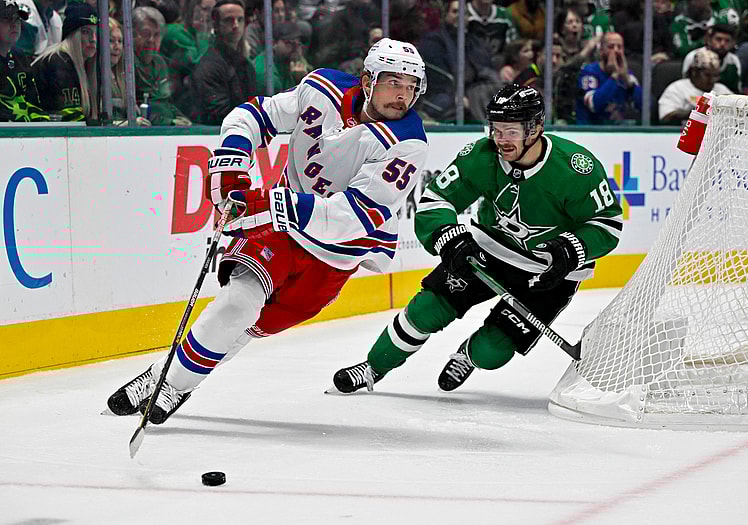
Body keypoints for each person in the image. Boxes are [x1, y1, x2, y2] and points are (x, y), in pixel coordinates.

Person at [106, 38, 429, 424]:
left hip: (337, 255)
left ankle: (165, 375)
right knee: (237, 304)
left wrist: (268, 204)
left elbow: (352, 217)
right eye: (394, 82)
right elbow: (254, 114)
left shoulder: (408, 142)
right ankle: (172, 386)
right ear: (368, 79)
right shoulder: (322, 88)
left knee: (247, 327)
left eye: (411, 86)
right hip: (281, 234)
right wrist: (230, 160)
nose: (403, 95)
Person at [331, 85, 623, 395]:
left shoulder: (575, 168)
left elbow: (607, 225)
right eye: (496, 129)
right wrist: (447, 236)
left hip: (548, 272)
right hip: (490, 251)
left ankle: (468, 355)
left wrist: (570, 249)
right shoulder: (481, 156)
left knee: (492, 351)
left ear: (536, 128)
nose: (500, 139)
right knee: (427, 309)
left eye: (511, 131)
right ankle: (373, 367)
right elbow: (437, 200)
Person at [32, 1, 98, 121]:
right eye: (86, 32)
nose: (93, 39)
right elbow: (71, 120)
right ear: (73, 34)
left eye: (95, 33)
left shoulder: (83, 65)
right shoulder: (58, 63)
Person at [192, 0, 256, 124]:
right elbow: (218, 115)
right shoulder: (209, 66)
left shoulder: (245, 65)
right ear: (215, 25)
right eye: (228, 20)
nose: (236, 25)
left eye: (240, 20)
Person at [132, 6, 191, 126]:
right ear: (131, 35)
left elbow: (166, 102)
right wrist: (171, 122)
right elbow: (137, 111)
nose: (151, 40)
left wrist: (182, 118)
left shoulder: (160, 62)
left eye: (157, 35)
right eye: (145, 33)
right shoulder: (127, 63)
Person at [575, 32, 642, 125]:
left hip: (617, 132)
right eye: (611, 47)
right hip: (589, 131)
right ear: (601, 50)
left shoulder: (627, 75)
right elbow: (594, 105)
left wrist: (626, 79)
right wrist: (614, 76)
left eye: (619, 47)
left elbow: (644, 107)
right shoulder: (589, 72)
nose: (616, 51)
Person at [0, 0, 48, 122]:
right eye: (6, 19)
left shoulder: (19, 57)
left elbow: (34, 104)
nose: (14, 24)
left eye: (17, 19)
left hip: (23, 134)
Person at [659, 47, 731, 124]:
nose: (712, 80)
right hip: (682, 133)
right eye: (707, 75)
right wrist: (698, 112)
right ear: (694, 72)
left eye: (715, 76)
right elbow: (666, 117)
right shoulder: (676, 88)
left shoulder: (722, 90)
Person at [108, 17, 150, 126]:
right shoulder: (94, 78)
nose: (117, 47)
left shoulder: (123, 77)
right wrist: (129, 124)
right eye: (110, 41)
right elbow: (97, 124)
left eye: (120, 41)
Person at [681, 24, 739, 93]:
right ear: (709, 40)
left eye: (727, 41)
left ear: (733, 43)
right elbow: (686, 85)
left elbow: (736, 89)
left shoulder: (734, 60)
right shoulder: (693, 57)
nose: (722, 44)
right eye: (718, 39)